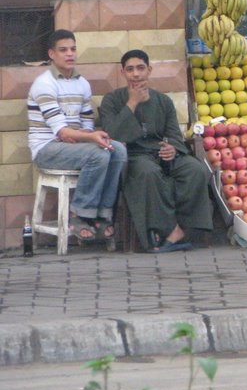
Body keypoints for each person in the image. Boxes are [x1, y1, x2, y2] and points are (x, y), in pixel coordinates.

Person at [99, 49, 212, 253]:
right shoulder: (111, 100)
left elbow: (175, 135)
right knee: (149, 173)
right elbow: (113, 135)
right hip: (133, 157)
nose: (136, 74)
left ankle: (185, 227)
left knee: (195, 170)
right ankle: (170, 231)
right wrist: (132, 103)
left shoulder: (163, 101)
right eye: (130, 69)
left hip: (162, 155)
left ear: (149, 70)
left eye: (141, 68)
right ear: (122, 72)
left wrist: (173, 149)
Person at [27, 30, 127, 243]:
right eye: (63, 50)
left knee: (118, 150)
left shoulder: (82, 83)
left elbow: (87, 125)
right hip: (47, 149)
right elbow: (61, 131)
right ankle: (80, 215)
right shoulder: (44, 84)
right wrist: (84, 137)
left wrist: (85, 136)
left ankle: (103, 214)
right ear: (52, 54)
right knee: (97, 155)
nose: (70, 54)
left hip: (74, 145)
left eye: (73, 49)